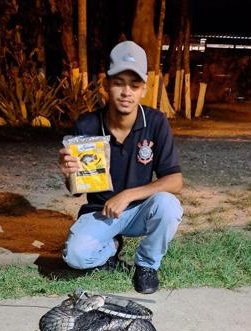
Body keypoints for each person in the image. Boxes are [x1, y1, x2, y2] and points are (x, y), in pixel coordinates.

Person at [57, 40, 184, 294]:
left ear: (144, 90)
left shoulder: (156, 122)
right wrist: (69, 175)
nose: (127, 92)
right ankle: (112, 248)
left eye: (134, 85)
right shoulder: (87, 125)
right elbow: (76, 191)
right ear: (106, 84)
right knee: (75, 257)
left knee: (169, 205)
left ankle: (147, 266)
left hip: (140, 211)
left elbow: (175, 181)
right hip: (101, 211)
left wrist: (127, 196)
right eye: (119, 83)